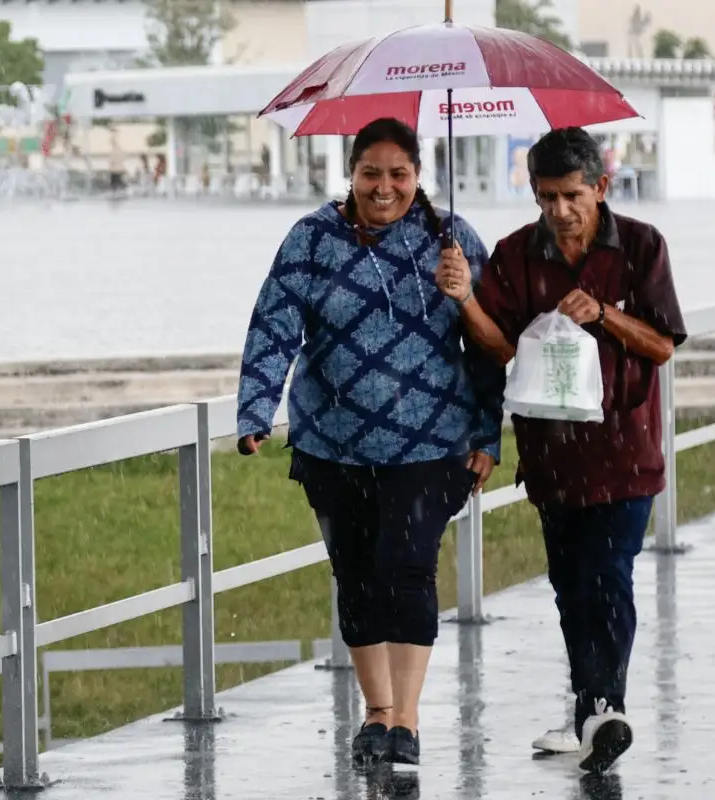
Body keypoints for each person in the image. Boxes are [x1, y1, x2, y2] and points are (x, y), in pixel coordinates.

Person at [234, 117, 503, 768]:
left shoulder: (453, 240)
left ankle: (406, 721)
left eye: (399, 175)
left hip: (432, 444)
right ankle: (376, 712)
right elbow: (274, 326)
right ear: (351, 174)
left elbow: (493, 346)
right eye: (371, 174)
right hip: (332, 443)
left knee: (407, 570)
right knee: (355, 578)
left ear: (419, 176)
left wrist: (488, 431)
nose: (385, 188)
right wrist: (255, 409)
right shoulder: (311, 240)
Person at [436, 127, 687, 774]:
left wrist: (604, 313)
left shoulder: (640, 247)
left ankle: (606, 704)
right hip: (551, 457)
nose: (559, 211)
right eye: (546, 197)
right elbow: (499, 348)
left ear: (601, 187)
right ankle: (591, 714)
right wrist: (465, 297)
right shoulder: (517, 254)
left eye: (572, 195)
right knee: (570, 587)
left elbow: (662, 345)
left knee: (609, 576)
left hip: (626, 449)